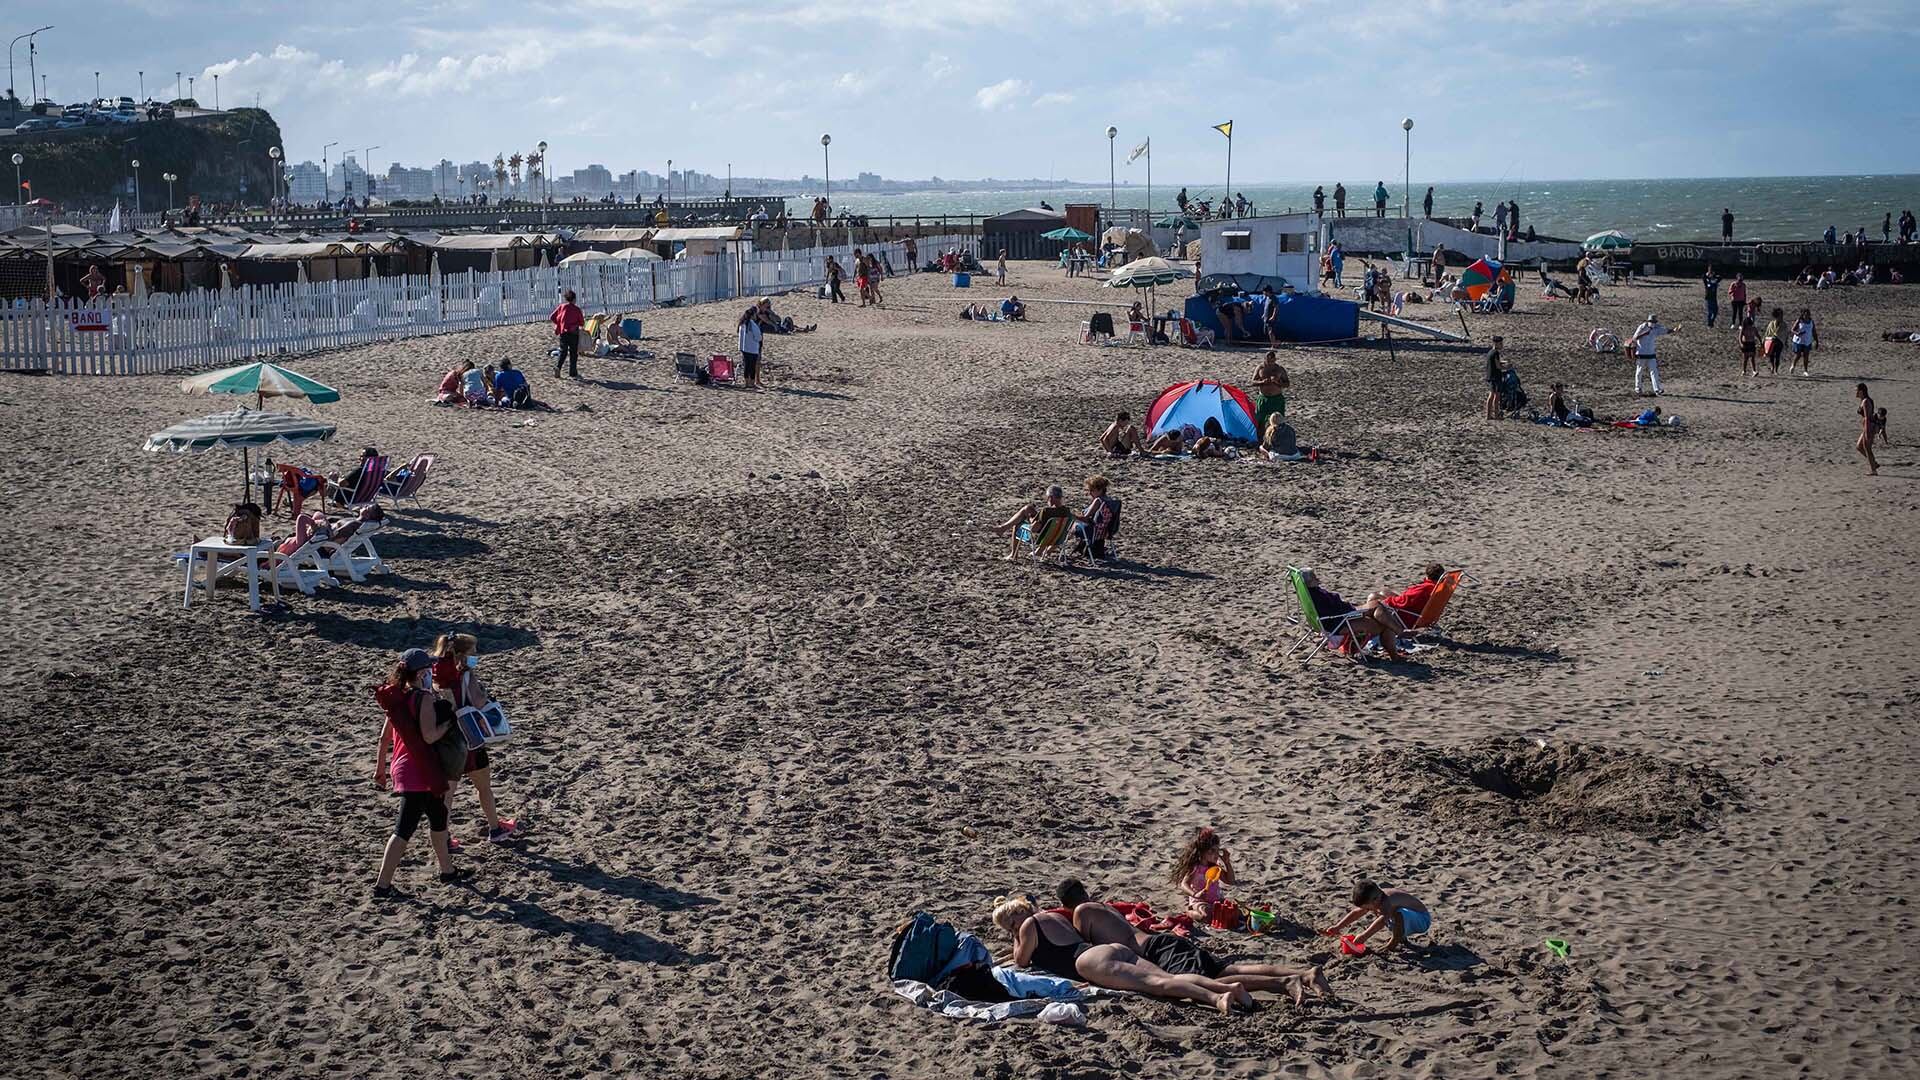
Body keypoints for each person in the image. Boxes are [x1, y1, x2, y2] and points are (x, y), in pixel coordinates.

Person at [1065, 885, 1333, 1004]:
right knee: (1231, 969)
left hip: (1155, 950)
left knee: (1213, 978)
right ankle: (1304, 975)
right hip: (1164, 942)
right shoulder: (1104, 907)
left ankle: (1285, 983)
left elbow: (1083, 944)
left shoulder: (1081, 912)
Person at [989, 894, 1248, 1014]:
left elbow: (1021, 960)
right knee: (1168, 978)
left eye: (1011, 922)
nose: (1013, 928)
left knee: (1157, 985)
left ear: (1019, 913)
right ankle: (1229, 988)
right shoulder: (1054, 916)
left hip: (1088, 962)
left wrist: (1015, 936)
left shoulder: (1028, 926)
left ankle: (1217, 999)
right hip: (1107, 950)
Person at [372, 649, 465, 897]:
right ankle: (382, 886)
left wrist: (379, 770)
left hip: (402, 767)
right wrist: (450, 721)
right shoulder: (422, 698)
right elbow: (429, 735)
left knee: (438, 817)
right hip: (420, 771)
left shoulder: (397, 697)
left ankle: (448, 871)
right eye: (428, 670)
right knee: (403, 829)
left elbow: (384, 738)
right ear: (422, 673)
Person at [431, 633, 521, 846]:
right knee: (484, 787)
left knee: (448, 795)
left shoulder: (434, 675)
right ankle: (495, 828)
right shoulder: (465, 674)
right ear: (461, 654)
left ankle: (443, 838)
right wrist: (484, 691)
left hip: (445, 739)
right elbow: (479, 702)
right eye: (473, 652)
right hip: (469, 737)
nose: (476, 656)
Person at [1300, 568, 1408, 661]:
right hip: (1340, 621)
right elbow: (1332, 612)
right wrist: (1351, 611)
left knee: (1377, 606)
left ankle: (1399, 635)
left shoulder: (1309, 594)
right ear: (1309, 582)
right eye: (1314, 577)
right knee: (1385, 623)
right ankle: (1397, 645)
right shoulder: (1317, 596)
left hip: (1340, 616)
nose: (1317, 578)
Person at [1322, 880, 1431, 953]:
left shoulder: (1387, 900)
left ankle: (1393, 943)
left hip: (1422, 920)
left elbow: (1382, 921)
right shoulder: (1376, 899)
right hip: (1407, 920)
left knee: (1396, 913)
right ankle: (1401, 936)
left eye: (1367, 907)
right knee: (1386, 913)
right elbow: (1357, 912)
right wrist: (1337, 927)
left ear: (1376, 899)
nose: (1367, 910)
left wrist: (1364, 936)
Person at [993, 484, 1074, 560]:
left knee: (1017, 524)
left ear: (1050, 498)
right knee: (1027, 508)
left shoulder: (1046, 511)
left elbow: (1034, 529)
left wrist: (1030, 518)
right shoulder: (1067, 512)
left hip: (1040, 538)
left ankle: (1013, 553)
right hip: (1056, 538)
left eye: (1047, 497)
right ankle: (1003, 528)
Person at [1172, 827, 1234, 920]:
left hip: (1217, 901)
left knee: (1235, 912)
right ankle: (1189, 911)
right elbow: (1184, 884)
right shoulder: (1195, 867)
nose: (1216, 854)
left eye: (1217, 851)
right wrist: (1195, 894)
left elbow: (1230, 881)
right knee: (1206, 915)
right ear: (1202, 852)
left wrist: (1227, 863)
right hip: (1199, 901)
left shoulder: (1215, 867)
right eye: (1212, 851)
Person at [1373, 563, 1447, 627]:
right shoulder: (1438, 588)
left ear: (1427, 574)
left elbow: (1404, 601)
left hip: (1406, 617)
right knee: (1384, 592)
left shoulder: (1425, 588)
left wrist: (1386, 601)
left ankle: (1372, 627)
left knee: (1373, 596)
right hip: (1419, 614)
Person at [1627, 314, 1673, 396]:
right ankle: (1638, 388)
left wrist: (1674, 330)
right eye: (1651, 322)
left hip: (1651, 353)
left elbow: (1665, 331)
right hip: (1641, 353)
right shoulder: (1642, 327)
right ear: (1648, 321)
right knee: (1639, 371)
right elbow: (1634, 338)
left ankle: (1657, 389)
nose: (1653, 323)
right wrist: (1644, 333)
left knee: (1654, 372)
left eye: (1654, 322)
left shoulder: (1656, 328)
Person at [1251, 351, 1289, 434]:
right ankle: (1261, 441)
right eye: (1268, 360)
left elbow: (1287, 384)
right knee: (1260, 421)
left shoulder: (1280, 369)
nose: (1270, 363)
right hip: (1264, 398)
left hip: (1277, 398)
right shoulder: (1260, 368)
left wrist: (1277, 382)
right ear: (1265, 359)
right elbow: (1253, 382)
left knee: (1278, 421)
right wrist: (1262, 382)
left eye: (1272, 361)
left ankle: (1277, 439)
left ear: (1275, 359)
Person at [550, 289, 584, 378]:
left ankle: (558, 367)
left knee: (563, 351)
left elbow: (552, 317)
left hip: (563, 332)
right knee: (573, 353)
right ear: (574, 299)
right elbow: (582, 323)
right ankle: (573, 372)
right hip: (573, 333)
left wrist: (559, 324)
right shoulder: (577, 309)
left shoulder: (562, 307)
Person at [1855, 383, 1880, 475]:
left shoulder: (1866, 402)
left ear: (1861, 391)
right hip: (1867, 426)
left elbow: (1867, 417)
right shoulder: (1863, 400)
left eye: (1856, 390)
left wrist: (1867, 432)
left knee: (1867, 448)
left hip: (1869, 427)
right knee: (1859, 446)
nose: (1855, 392)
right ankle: (1874, 463)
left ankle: (1874, 470)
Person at [1483, 336, 1508, 420]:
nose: (1502, 345)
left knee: (1491, 395)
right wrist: (1507, 368)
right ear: (1496, 343)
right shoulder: (1496, 353)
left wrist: (1503, 362)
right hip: (1496, 377)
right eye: (1500, 343)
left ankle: (1488, 415)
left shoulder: (1490, 352)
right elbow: (1498, 366)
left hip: (1490, 376)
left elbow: (1495, 362)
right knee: (1496, 396)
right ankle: (1496, 415)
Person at [1788, 308, 1818, 376]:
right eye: (1805, 314)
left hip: (1807, 341)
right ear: (1803, 314)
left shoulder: (1811, 322)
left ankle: (1805, 371)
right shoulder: (1799, 321)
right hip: (1798, 341)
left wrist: (1816, 340)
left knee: (1806, 356)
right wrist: (1797, 333)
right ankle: (1793, 365)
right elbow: (1792, 330)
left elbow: (1814, 331)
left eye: (1808, 314)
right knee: (1798, 355)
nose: (1807, 316)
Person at [1763, 307, 1786, 375]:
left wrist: (1785, 341)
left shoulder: (1784, 324)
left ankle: (1776, 369)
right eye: (1780, 315)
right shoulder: (1771, 323)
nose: (1781, 317)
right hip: (1771, 341)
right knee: (1771, 355)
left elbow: (1785, 333)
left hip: (1780, 341)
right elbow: (1767, 332)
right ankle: (1773, 367)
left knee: (1778, 356)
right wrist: (1764, 340)